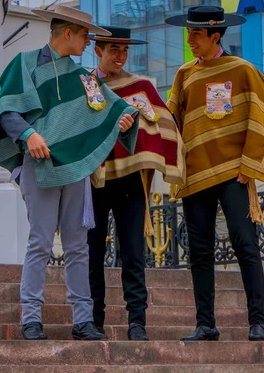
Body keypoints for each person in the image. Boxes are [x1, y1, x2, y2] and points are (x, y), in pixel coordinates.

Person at [0, 6, 139, 341]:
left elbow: (111, 109)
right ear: (68, 33)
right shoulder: (24, 63)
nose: (87, 42)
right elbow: (6, 111)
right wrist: (28, 134)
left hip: (76, 169)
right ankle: (31, 319)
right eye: (84, 36)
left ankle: (83, 321)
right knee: (39, 242)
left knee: (78, 245)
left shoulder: (84, 77)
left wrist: (123, 121)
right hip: (40, 166)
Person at [165, 6, 264, 342]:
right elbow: (173, 120)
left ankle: (257, 322)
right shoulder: (184, 74)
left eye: (197, 34)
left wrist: (249, 166)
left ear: (215, 36)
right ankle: (206, 324)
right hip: (196, 176)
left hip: (235, 174)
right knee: (199, 252)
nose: (191, 40)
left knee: (246, 244)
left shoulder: (243, 70)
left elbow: (262, 115)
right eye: (189, 34)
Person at [87, 26, 186, 341]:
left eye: (124, 50)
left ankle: (137, 323)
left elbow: (163, 122)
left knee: (133, 252)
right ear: (97, 51)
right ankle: (93, 320)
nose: (120, 56)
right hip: (94, 181)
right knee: (92, 253)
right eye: (113, 49)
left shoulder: (140, 86)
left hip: (131, 180)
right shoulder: (85, 86)